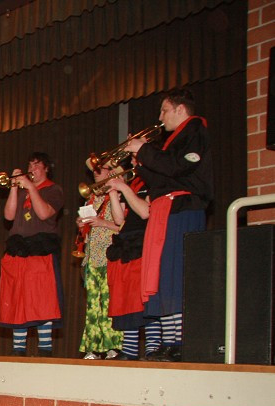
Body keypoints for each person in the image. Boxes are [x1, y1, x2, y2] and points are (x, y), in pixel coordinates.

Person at [123, 88, 212, 362]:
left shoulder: (194, 129)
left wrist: (145, 149)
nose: (160, 117)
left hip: (183, 208)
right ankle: (171, 341)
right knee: (164, 277)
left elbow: (178, 168)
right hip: (166, 208)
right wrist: (140, 160)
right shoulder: (172, 139)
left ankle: (181, 341)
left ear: (180, 110)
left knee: (177, 273)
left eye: (164, 110)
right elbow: (159, 179)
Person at [0, 153, 65, 356]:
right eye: (29, 165)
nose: (32, 168)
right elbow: (8, 216)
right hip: (18, 249)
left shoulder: (54, 189)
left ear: (46, 169)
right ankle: (19, 349)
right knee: (18, 299)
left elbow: (44, 213)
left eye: (36, 165)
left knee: (41, 300)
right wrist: (13, 187)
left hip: (40, 249)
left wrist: (30, 186)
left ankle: (44, 349)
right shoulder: (20, 192)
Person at [107, 174, 163, 360]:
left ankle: (152, 348)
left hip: (144, 239)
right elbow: (118, 220)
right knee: (128, 298)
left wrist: (124, 188)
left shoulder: (153, 181)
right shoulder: (131, 184)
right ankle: (130, 349)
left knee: (145, 299)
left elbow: (145, 211)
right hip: (127, 241)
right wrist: (114, 193)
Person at [76, 165, 124, 359]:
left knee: (110, 304)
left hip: (109, 256)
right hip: (92, 258)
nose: (96, 172)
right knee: (93, 306)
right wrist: (81, 225)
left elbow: (122, 226)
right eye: (95, 170)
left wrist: (102, 222)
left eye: (101, 169)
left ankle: (114, 346)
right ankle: (93, 347)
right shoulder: (92, 199)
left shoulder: (117, 195)